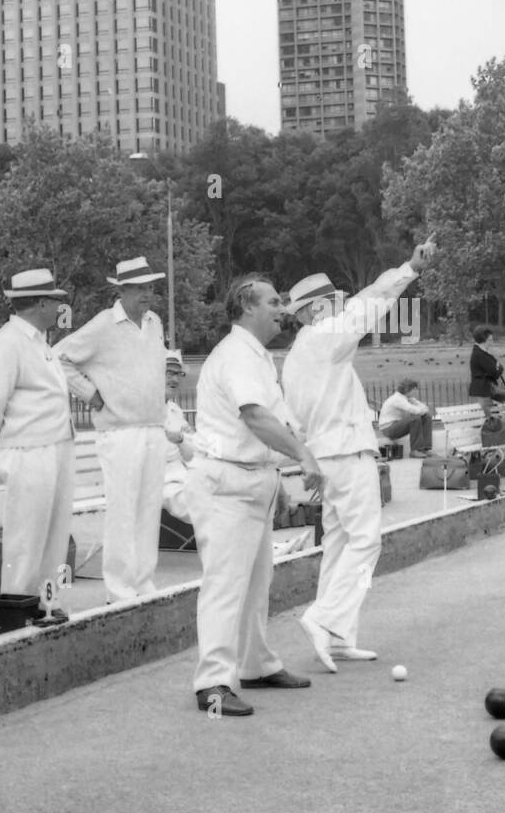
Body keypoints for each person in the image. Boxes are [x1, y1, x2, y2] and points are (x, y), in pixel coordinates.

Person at [283, 239, 437, 672]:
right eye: (333, 301)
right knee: (366, 540)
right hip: (346, 452)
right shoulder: (323, 337)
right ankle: (324, 618)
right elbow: (370, 304)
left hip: (327, 455)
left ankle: (337, 636)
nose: (340, 306)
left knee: (340, 543)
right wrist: (409, 268)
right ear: (314, 310)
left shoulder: (298, 354)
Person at [183, 275, 323, 717]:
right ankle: (212, 685)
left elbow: (264, 426)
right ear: (247, 307)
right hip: (226, 484)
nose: (283, 309)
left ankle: (256, 665)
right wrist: (303, 456)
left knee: (256, 583)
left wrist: (275, 478)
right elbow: (256, 417)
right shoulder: (237, 355)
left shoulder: (257, 356)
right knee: (225, 586)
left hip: (250, 480)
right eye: (274, 301)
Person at [55, 256, 167, 602]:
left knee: (149, 509)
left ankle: (144, 583)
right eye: (140, 288)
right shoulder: (103, 325)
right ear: (123, 291)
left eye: (150, 287)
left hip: (153, 428)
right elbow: (59, 357)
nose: (147, 294)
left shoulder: (154, 322)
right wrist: (90, 394)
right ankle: (120, 590)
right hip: (119, 433)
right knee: (122, 511)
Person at [0, 268, 74, 619]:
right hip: (29, 450)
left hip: (56, 445)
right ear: (41, 303)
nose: (59, 308)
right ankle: (17, 607)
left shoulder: (37, 340)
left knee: (55, 535)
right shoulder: (9, 342)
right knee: (26, 536)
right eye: (55, 302)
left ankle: (50, 601)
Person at [163, 349, 196, 522]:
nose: (175, 379)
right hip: (163, 484)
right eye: (169, 372)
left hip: (187, 478)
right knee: (206, 506)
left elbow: (192, 454)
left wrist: (181, 440)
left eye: (178, 374)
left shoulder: (175, 411)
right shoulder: (144, 412)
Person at [378, 378, 433, 456]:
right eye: (414, 389)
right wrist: (421, 409)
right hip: (388, 428)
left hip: (396, 425)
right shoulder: (398, 399)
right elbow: (414, 411)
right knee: (415, 418)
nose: (416, 392)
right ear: (408, 390)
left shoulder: (407, 398)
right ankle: (415, 450)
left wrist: (418, 406)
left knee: (426, 417)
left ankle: (426, 449)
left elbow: (425, 409)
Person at [469, 326, 505, 416]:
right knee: (491, 417)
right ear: (483, 340)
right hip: (483, 390)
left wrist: (497, 367)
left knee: (496, 413)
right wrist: (497, 368)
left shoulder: (484, 353)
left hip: (488, 389)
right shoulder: (480, 354)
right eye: (490, 340)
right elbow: (495, 373)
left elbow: (500, 367)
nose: (492, 343)